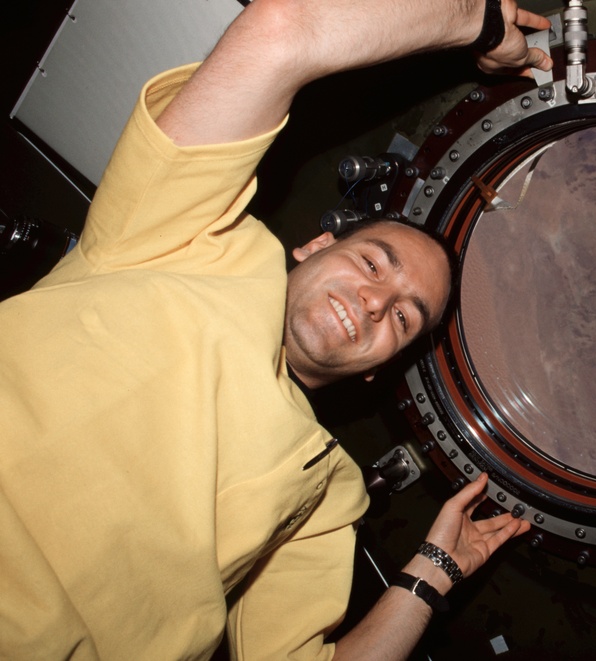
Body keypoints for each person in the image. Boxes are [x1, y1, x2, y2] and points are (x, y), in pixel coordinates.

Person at [0, 0, 553, 658]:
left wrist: (433, 570)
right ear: (315, 246)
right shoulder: (183, 236)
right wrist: (478, 21)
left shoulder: (326, 493)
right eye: (374, 262)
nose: (376, 302)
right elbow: (283, 28)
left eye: (403, 318)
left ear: (379, 367)